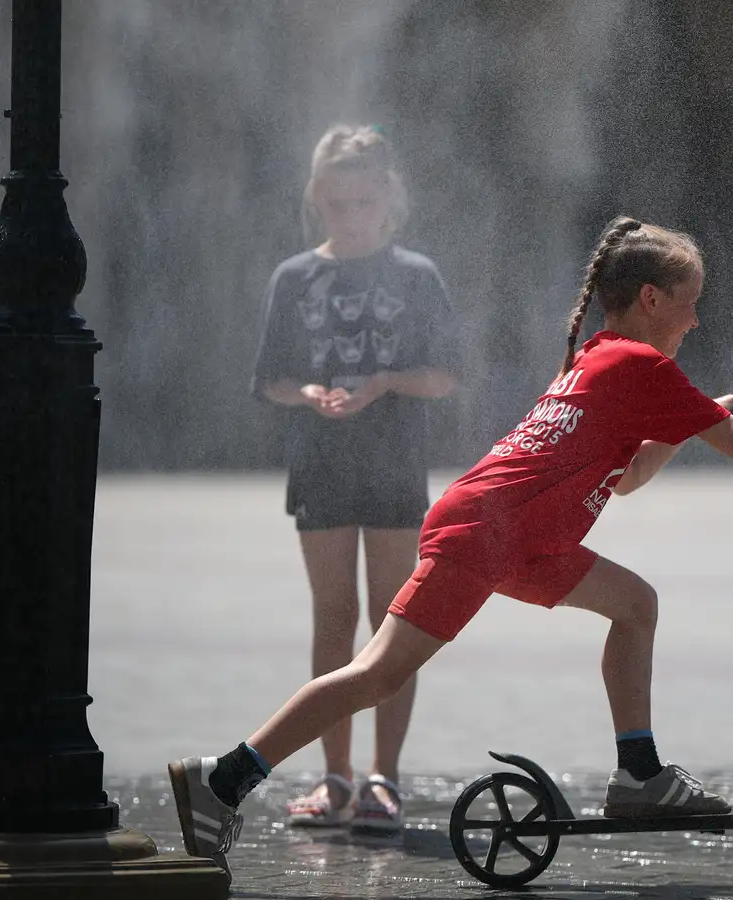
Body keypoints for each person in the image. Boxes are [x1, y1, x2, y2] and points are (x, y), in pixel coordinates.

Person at [168, 216, 733, 879]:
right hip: (488, 531)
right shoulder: (640, 364)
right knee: (377, 675)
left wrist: (693, 424)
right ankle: (222, 779)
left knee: (634, 605)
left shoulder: (600, 356)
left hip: (524, 537)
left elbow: (625, 477)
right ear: (652, 300)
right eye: (690, 307)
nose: (695, 324)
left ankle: (638, 773)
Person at [250, 124, 457, 833]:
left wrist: (385, 382)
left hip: (395, 462)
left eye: (363, 201)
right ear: (317, 201)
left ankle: (383, 778)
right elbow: (271, 380)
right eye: (336, 203)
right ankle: (333, 777)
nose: (350, 215)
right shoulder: (294, 277)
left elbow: (445, 376)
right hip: (322, 465)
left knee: (394, 624)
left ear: (388, 199)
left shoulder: (417, 276)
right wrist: (308, 394)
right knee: (332, 621)